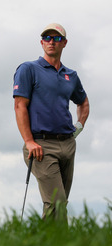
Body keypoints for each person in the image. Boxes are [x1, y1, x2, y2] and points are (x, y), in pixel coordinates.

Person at [13, 23, 90, 220]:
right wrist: (29, 142)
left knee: (58, 203)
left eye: (56, 39)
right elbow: (20, 106)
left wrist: (79, 126)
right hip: (41, 145)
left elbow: (83, 102)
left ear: (64, 43)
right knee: (57, 201)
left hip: (67, 143)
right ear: (41, 42)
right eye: (47, 38)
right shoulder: (29, 69)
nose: (51, 42)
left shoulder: (70, 75)